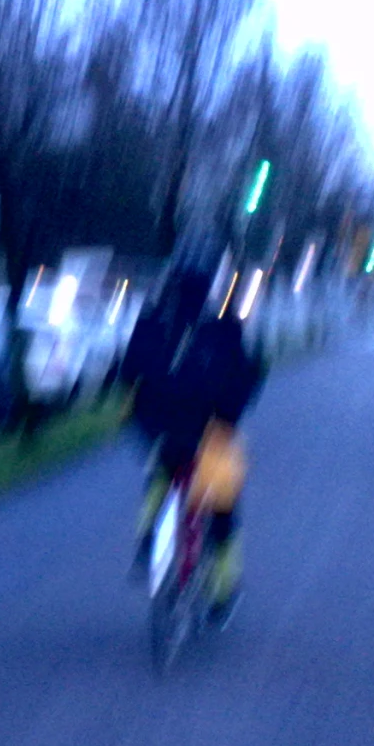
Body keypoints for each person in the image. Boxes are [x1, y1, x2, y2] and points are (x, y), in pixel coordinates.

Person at [119, 253, 266, 620]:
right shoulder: (225, 328)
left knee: (162, 472)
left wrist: (140, 405)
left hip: (157, 425)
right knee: (222, 507)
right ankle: (221, 592)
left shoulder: (150, 321)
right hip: (211, 428)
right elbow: (247, 375)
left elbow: (126, 370)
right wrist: (232, 414)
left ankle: (147, 537)